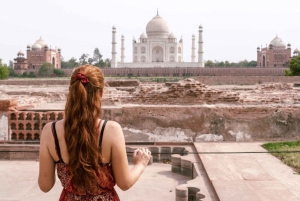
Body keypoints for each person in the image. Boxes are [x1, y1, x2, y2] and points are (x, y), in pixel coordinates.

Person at [38, 65, 151, 200]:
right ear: (101, 93)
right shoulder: (111, 130)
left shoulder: (50, 131)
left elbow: (45, 186)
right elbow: (125, 183)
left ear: (70, 91)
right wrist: (140, 164)